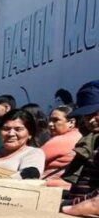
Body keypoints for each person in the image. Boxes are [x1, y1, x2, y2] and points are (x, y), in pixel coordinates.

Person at [59, 80, 99, 209]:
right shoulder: (91, 141)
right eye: (86, 116)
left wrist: (68, 205)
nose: (91, 120)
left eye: (95, 113)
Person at [0, 109, 45, 179]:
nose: (11, 134)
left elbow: (31, 174)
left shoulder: (33, 153)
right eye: (6, 129)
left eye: (18, 129)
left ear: (30, 134)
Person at [41, 105, 81, 186]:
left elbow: (33, 159)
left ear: (71, 122)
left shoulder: (62, 140)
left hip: (52, 187)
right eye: (49, 120)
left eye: (56, 120)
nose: (50, 124)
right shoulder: (80, 137)